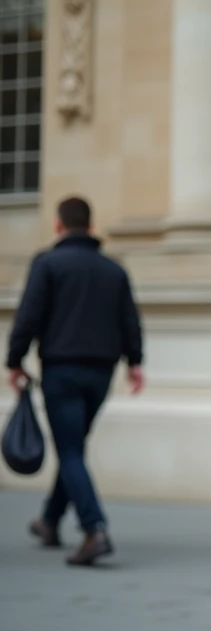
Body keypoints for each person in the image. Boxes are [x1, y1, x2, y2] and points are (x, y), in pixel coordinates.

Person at [7, 196, 144, 566]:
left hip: (61, 370)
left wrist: (14, 360)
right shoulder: (113, 270)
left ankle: (94, 528)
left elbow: (30, 314)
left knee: (69, 450)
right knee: (74, 448)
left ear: (58, 225)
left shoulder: (48, 263)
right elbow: (129, 319)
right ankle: (49, 522)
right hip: (101, 372)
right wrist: (135, 362)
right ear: (91, 225)